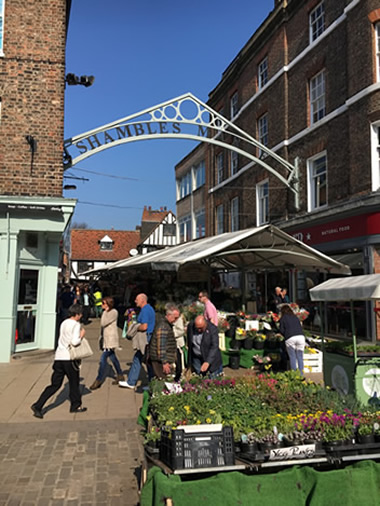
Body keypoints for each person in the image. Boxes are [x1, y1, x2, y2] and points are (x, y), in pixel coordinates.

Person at [31, 304, 87, 418]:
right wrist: (81, 335)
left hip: (59, 356)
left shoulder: (64, 322)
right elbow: (75, 342)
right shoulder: (76, 325)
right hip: (69, 358)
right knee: (74, 382)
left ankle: (38, 404)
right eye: (80, 315)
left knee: (55, 384)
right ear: (77, 315)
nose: (80, 317)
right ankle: (75, 405)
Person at [119, 293, 155, 389]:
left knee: (142, 359)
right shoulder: (148, 309)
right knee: (143, 360)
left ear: (143, 300)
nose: (135, 301)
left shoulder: (145, 310)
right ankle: (150, 382)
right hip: (148, 337)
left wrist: (135, 327)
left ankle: (133, 382)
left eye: (136, 299)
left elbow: (144, 327)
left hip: (145, 338)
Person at [90, 297, 125, 389]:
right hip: (106, 339)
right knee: (113, 357)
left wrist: (105, 312)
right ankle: (120, 374)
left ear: (108, 304)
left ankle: (98, 379)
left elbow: (103, 323)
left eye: (104, 303)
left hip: (111, 339)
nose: (102, 305)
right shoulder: (106, 312)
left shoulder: (113, 312)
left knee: (103, 359)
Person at [148, 303, 180, 380]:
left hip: (162, 359)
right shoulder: (163, 326)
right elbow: (161, 346)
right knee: (163, 382)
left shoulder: (166, 324)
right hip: (160, 361)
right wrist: (164, 362)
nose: (176, 320)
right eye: (175, 318)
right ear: (169, 315)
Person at [279, 304, 306, 375]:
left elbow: (281, 330)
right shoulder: (296, 317)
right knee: (300, 356)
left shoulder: (283, 318)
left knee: (292, 356)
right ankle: (301, 374)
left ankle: (294, 374)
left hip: (290, 337)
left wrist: (284, 334)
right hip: (301, 337)